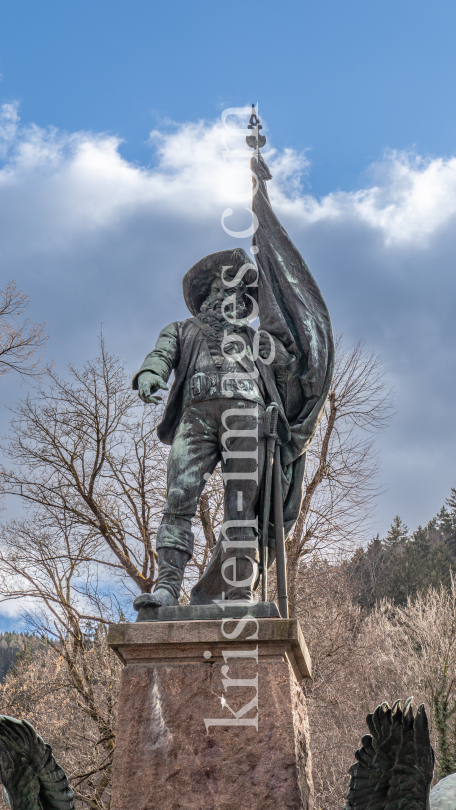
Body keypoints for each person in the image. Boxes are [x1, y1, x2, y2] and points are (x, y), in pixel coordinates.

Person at [132, 246, 300, 606]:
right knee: (179, 499)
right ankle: (167, 587)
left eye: (241, 294)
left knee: (242, 507)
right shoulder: (181, 330)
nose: (236, 298)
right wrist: (150, 372)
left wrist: (290, 340)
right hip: (196, 415)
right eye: (227, 289)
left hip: (248, 415)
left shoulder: (259, 341)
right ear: (210, 293)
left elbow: (290, 375)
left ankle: (238, 589)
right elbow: (161, 355)